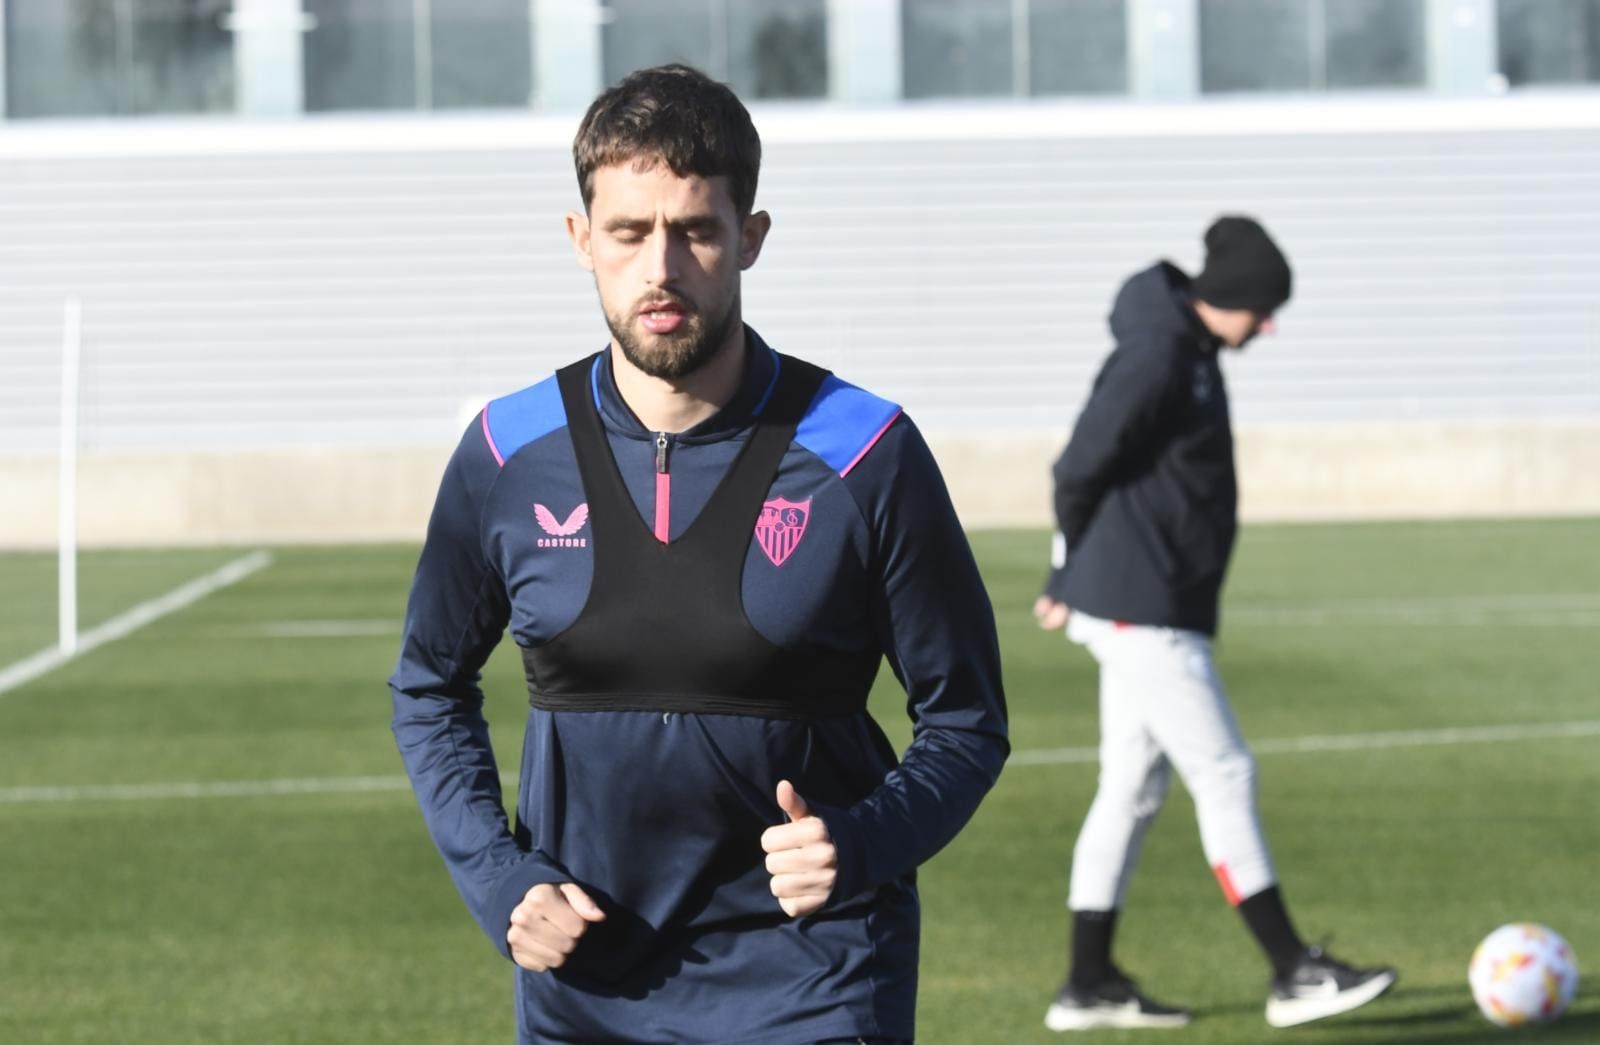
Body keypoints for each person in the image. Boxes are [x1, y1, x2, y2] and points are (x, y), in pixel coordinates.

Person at [390, 64, 1008, 1044]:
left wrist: (862, 840)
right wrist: (501, 880)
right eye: (630, 233)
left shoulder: (864, 450)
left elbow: (967, 720)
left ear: (750, 238)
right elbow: (427, 683)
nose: (661, 269)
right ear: (580, 238)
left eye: (697, 231)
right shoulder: (507, 453)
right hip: (586, 979)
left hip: (817, 974)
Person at [1033, 216, 1396, 1031]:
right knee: (1224, 771)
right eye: (1264, 309)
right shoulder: (1160, 354)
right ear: (1228, 298)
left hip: (1153, 602)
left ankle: (1088, 983)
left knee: (1130, 788)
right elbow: (1078, 464)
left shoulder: (1188, 352)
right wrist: (1067, 569)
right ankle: (1291, 968)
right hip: (1142, 607)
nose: (1268, 325)